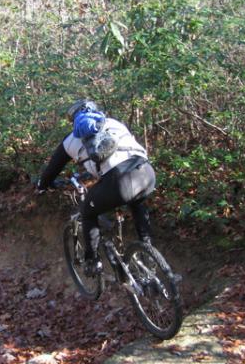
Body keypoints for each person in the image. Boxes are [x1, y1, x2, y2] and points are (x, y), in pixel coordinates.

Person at [37, 99, 156, 276]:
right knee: (137, 202)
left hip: (119, 180)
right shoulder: (115, 123)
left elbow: (52, 170)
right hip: (146, 172)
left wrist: (42, 185)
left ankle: (92, 261)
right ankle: (149, 253)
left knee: (88, 212)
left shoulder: (71, 140)